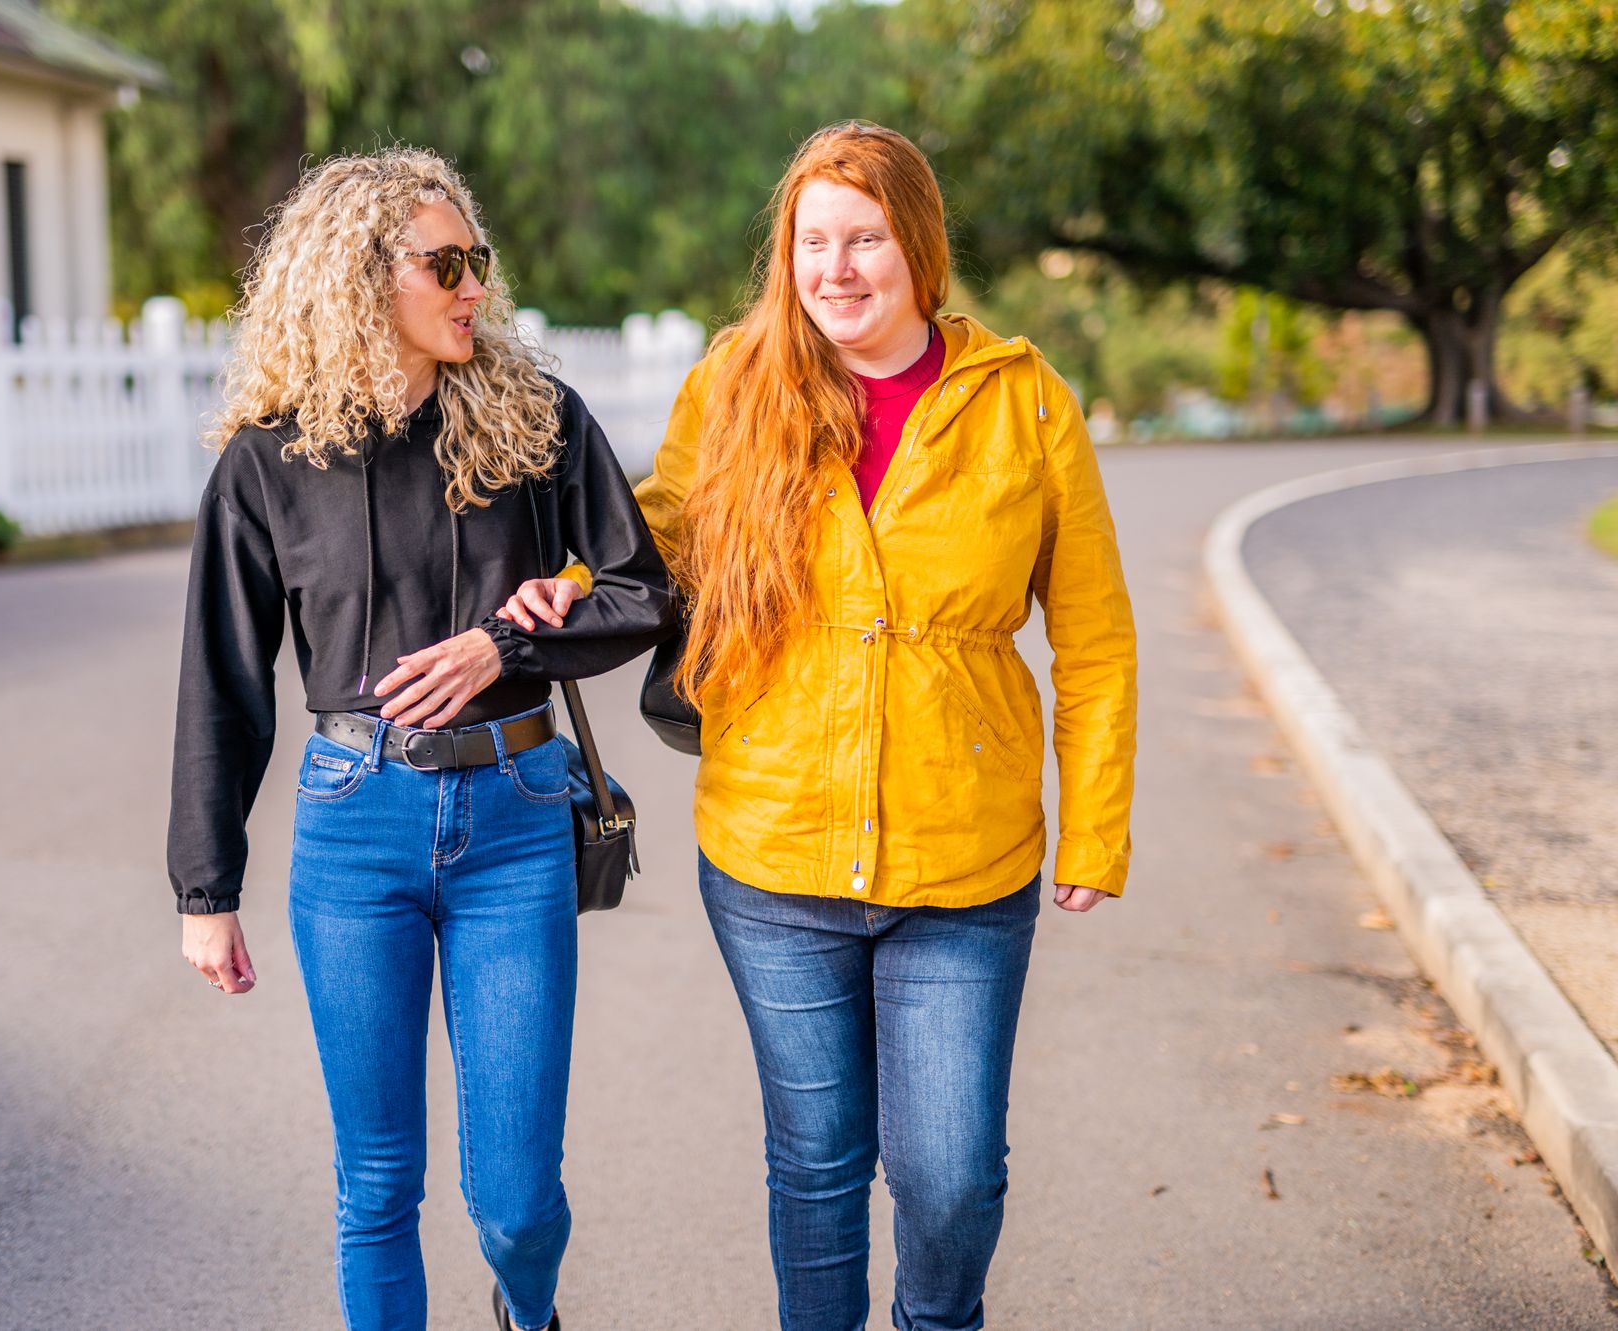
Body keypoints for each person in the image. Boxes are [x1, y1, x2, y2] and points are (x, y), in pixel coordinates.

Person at [498, 122, 1137, 1329]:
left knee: (949, 1178)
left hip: (964, 855)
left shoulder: (1022, 405)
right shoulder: (733, 382)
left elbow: (1094, 639)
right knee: (817, 1164)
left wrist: (1093, 830)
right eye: (812, 241)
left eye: (865, 239)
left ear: (919, 246)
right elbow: (660, 528)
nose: (835, 268)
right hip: (773, 846)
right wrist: (573, 580)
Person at [168, 147, 673, 1331]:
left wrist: (507, 643)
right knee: (376, 1185)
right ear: (357, 274)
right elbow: (222, 682)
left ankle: (525, 1308)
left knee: (514, 1198)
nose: (471, 289)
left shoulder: (537, 422)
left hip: (513, 818)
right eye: (444, 264)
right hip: (355, 825)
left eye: (475, 261)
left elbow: (641, 591)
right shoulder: (267, 462)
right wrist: (205, 885)